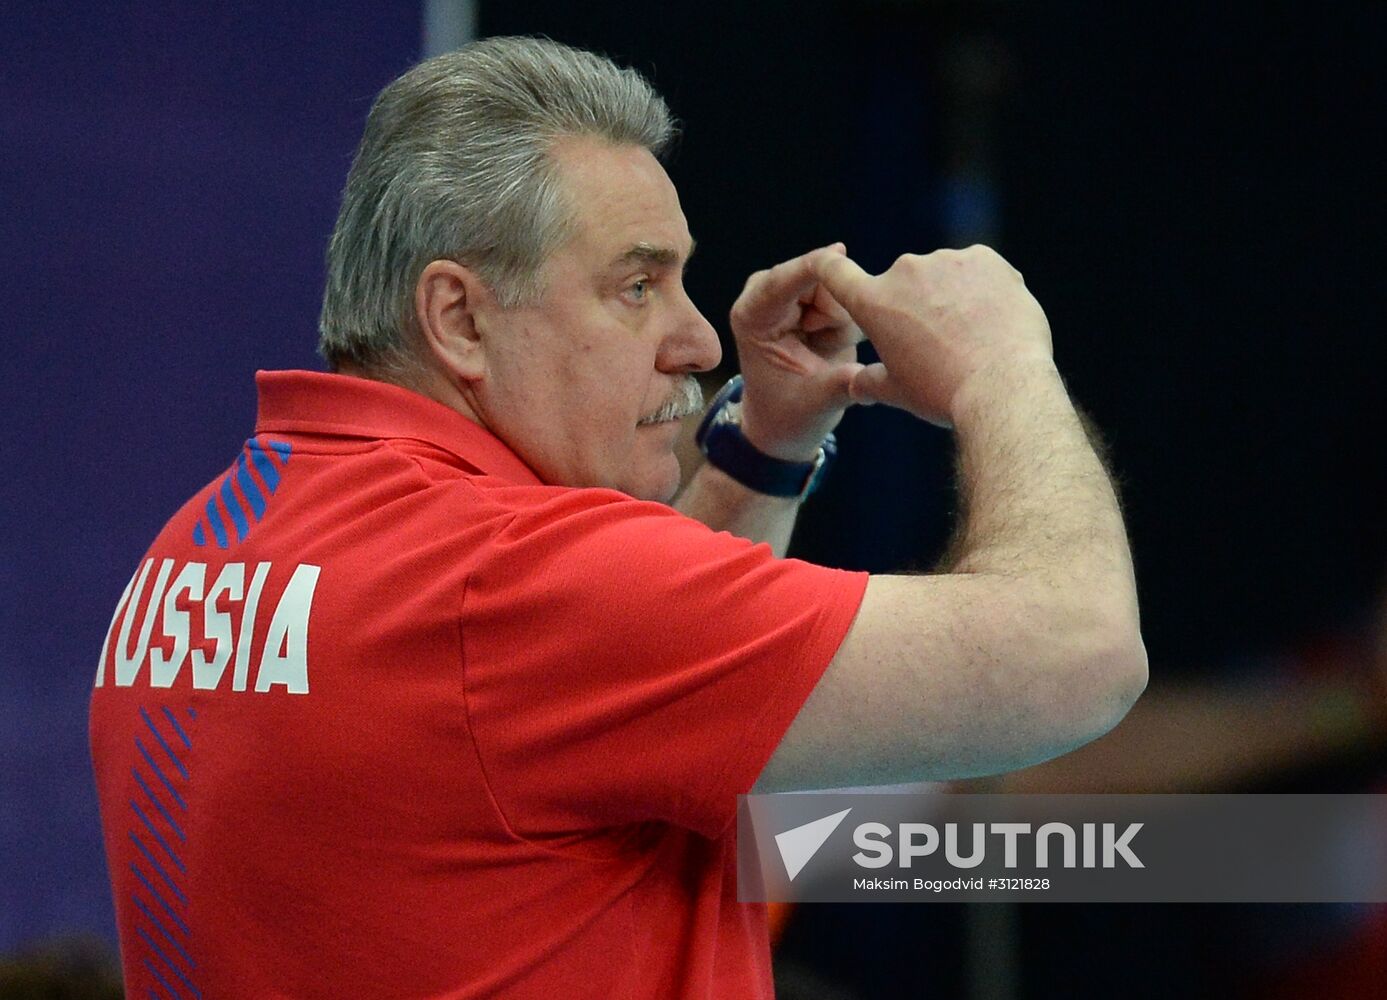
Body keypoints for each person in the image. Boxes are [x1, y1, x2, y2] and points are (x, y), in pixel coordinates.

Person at [88, 36, 1146, 999]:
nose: (697, 340)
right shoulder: (506, 578)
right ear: (458, 317)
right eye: (636, 286)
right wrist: (1003, 367)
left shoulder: (200, 547)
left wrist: (764, 449)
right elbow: (1078, 658)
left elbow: (635, 702)